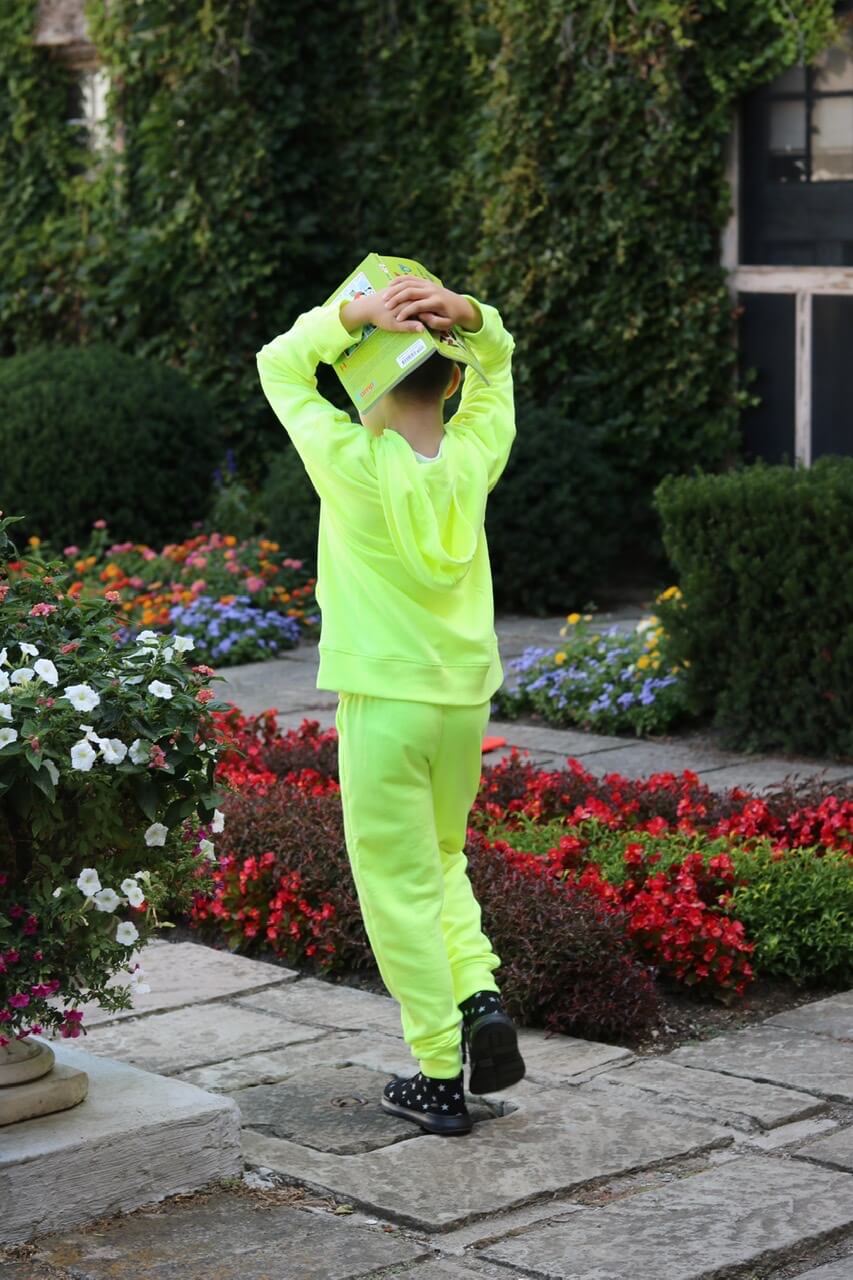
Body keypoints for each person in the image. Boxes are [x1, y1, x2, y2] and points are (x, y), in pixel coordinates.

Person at [256, 269, 525, 1136]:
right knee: (442, 858)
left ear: (366, 381)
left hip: (384, 702)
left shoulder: (350, 465)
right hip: (462, 703)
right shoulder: (474, 456)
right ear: (448, 381)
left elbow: (278, 365)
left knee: (395, 887)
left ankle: (438, 1073)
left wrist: (349, 315)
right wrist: (469, 316)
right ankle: (478, 995)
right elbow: (498, 366)